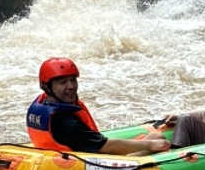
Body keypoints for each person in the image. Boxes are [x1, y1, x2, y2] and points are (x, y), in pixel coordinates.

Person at [26, 57, 171, 156]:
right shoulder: (66, 123)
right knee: (156, 138)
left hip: (67, 157)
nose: (71, 86)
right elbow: (105, 146)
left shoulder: (42, 104)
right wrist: (149, 145)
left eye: (73, 80)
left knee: (155, 136)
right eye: (62, 82)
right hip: (90, 166)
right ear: (47, 86)